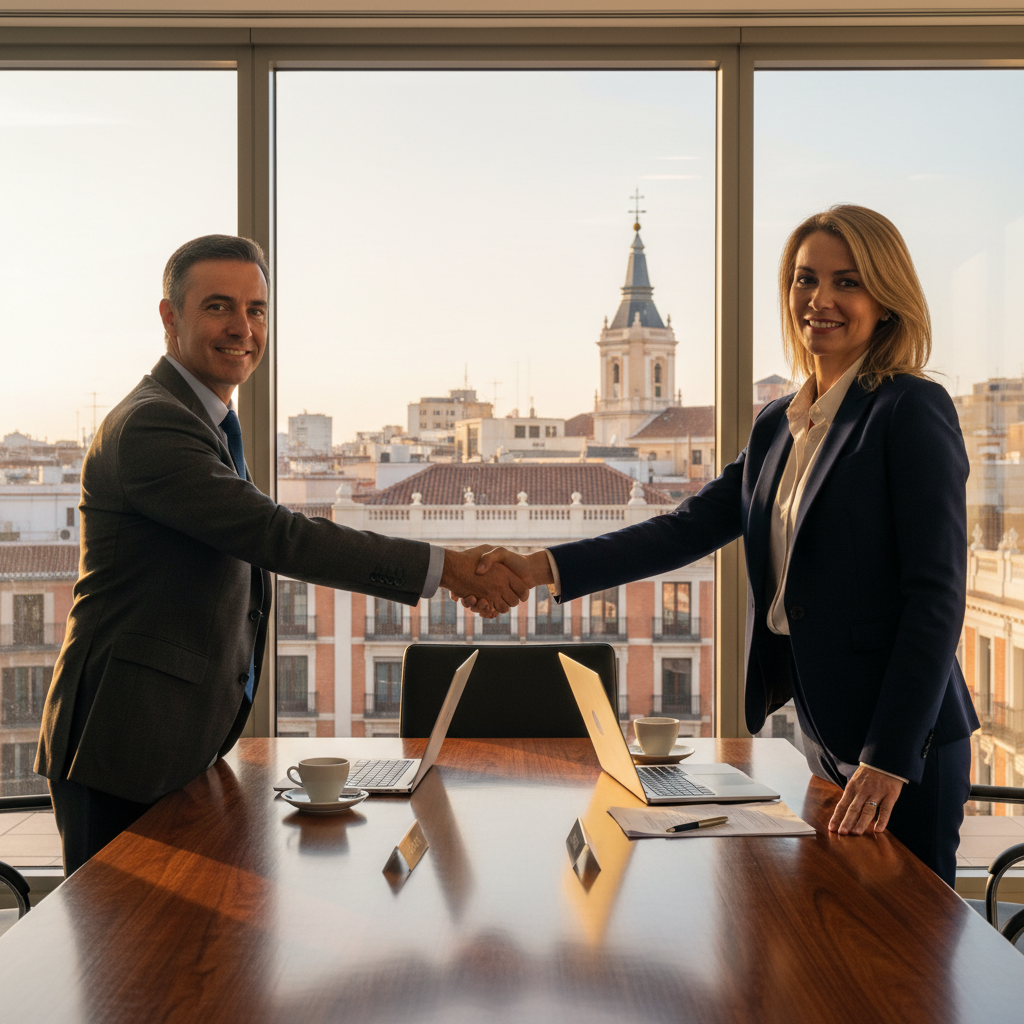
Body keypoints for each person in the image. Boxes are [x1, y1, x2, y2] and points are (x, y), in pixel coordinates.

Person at [471, 205, 978, 886]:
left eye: (846, 282)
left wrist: (888, 757)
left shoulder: (909, 409)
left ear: (886, 300)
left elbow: (936, 596)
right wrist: (539, 568)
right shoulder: (779, 424)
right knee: (841, 935)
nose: (819, 300)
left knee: (912, 950)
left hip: (905, 744)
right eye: (804, 280)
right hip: (824, 734)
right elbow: (685, 527)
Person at [35, 234, 528, 875]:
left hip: (171, 737)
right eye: (219, 307)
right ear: (169, 317)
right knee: (128, 957)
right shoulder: (153, 426)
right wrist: (448, 568)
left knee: (185, 955)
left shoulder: (201, 419)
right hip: (123, 745)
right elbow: (276, 536)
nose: (243, 327)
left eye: (257, 310)